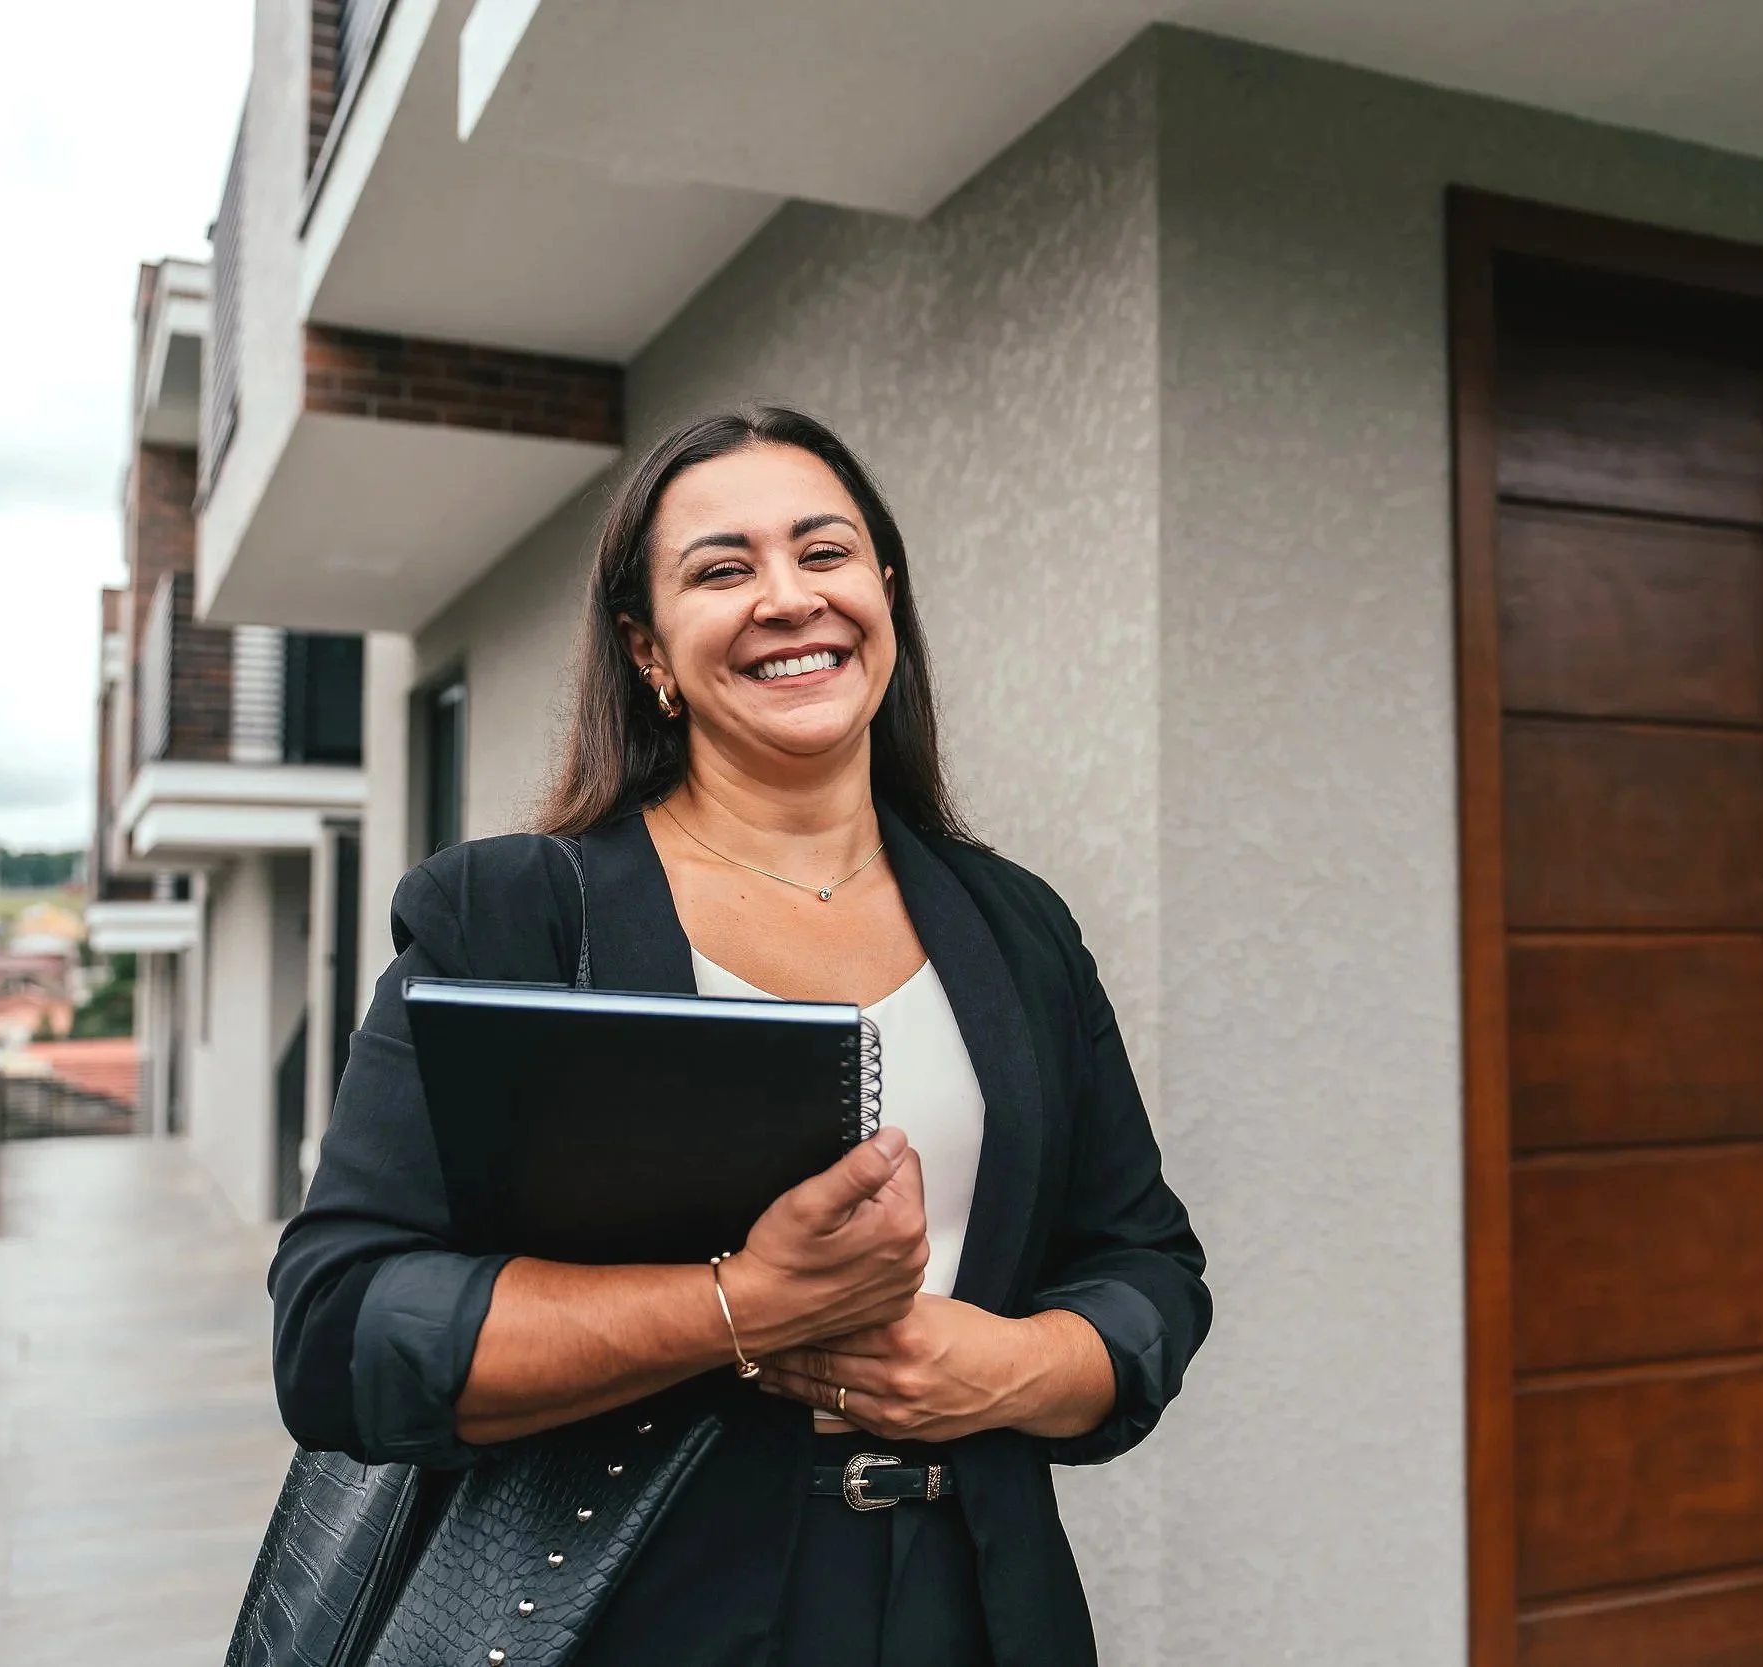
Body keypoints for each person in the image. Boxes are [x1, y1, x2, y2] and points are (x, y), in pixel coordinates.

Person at [269, 406, 1210, 1667]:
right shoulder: (515, 914)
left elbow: (1146, 1266)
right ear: (648, 649)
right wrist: (740, 1305)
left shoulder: (1018, 925)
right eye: (722, 569)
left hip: (979, 1604)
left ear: (886, 593)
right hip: (645, 1608)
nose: (787, 597)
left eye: (825, 553)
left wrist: (1011, 1367)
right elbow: (339, 1328)